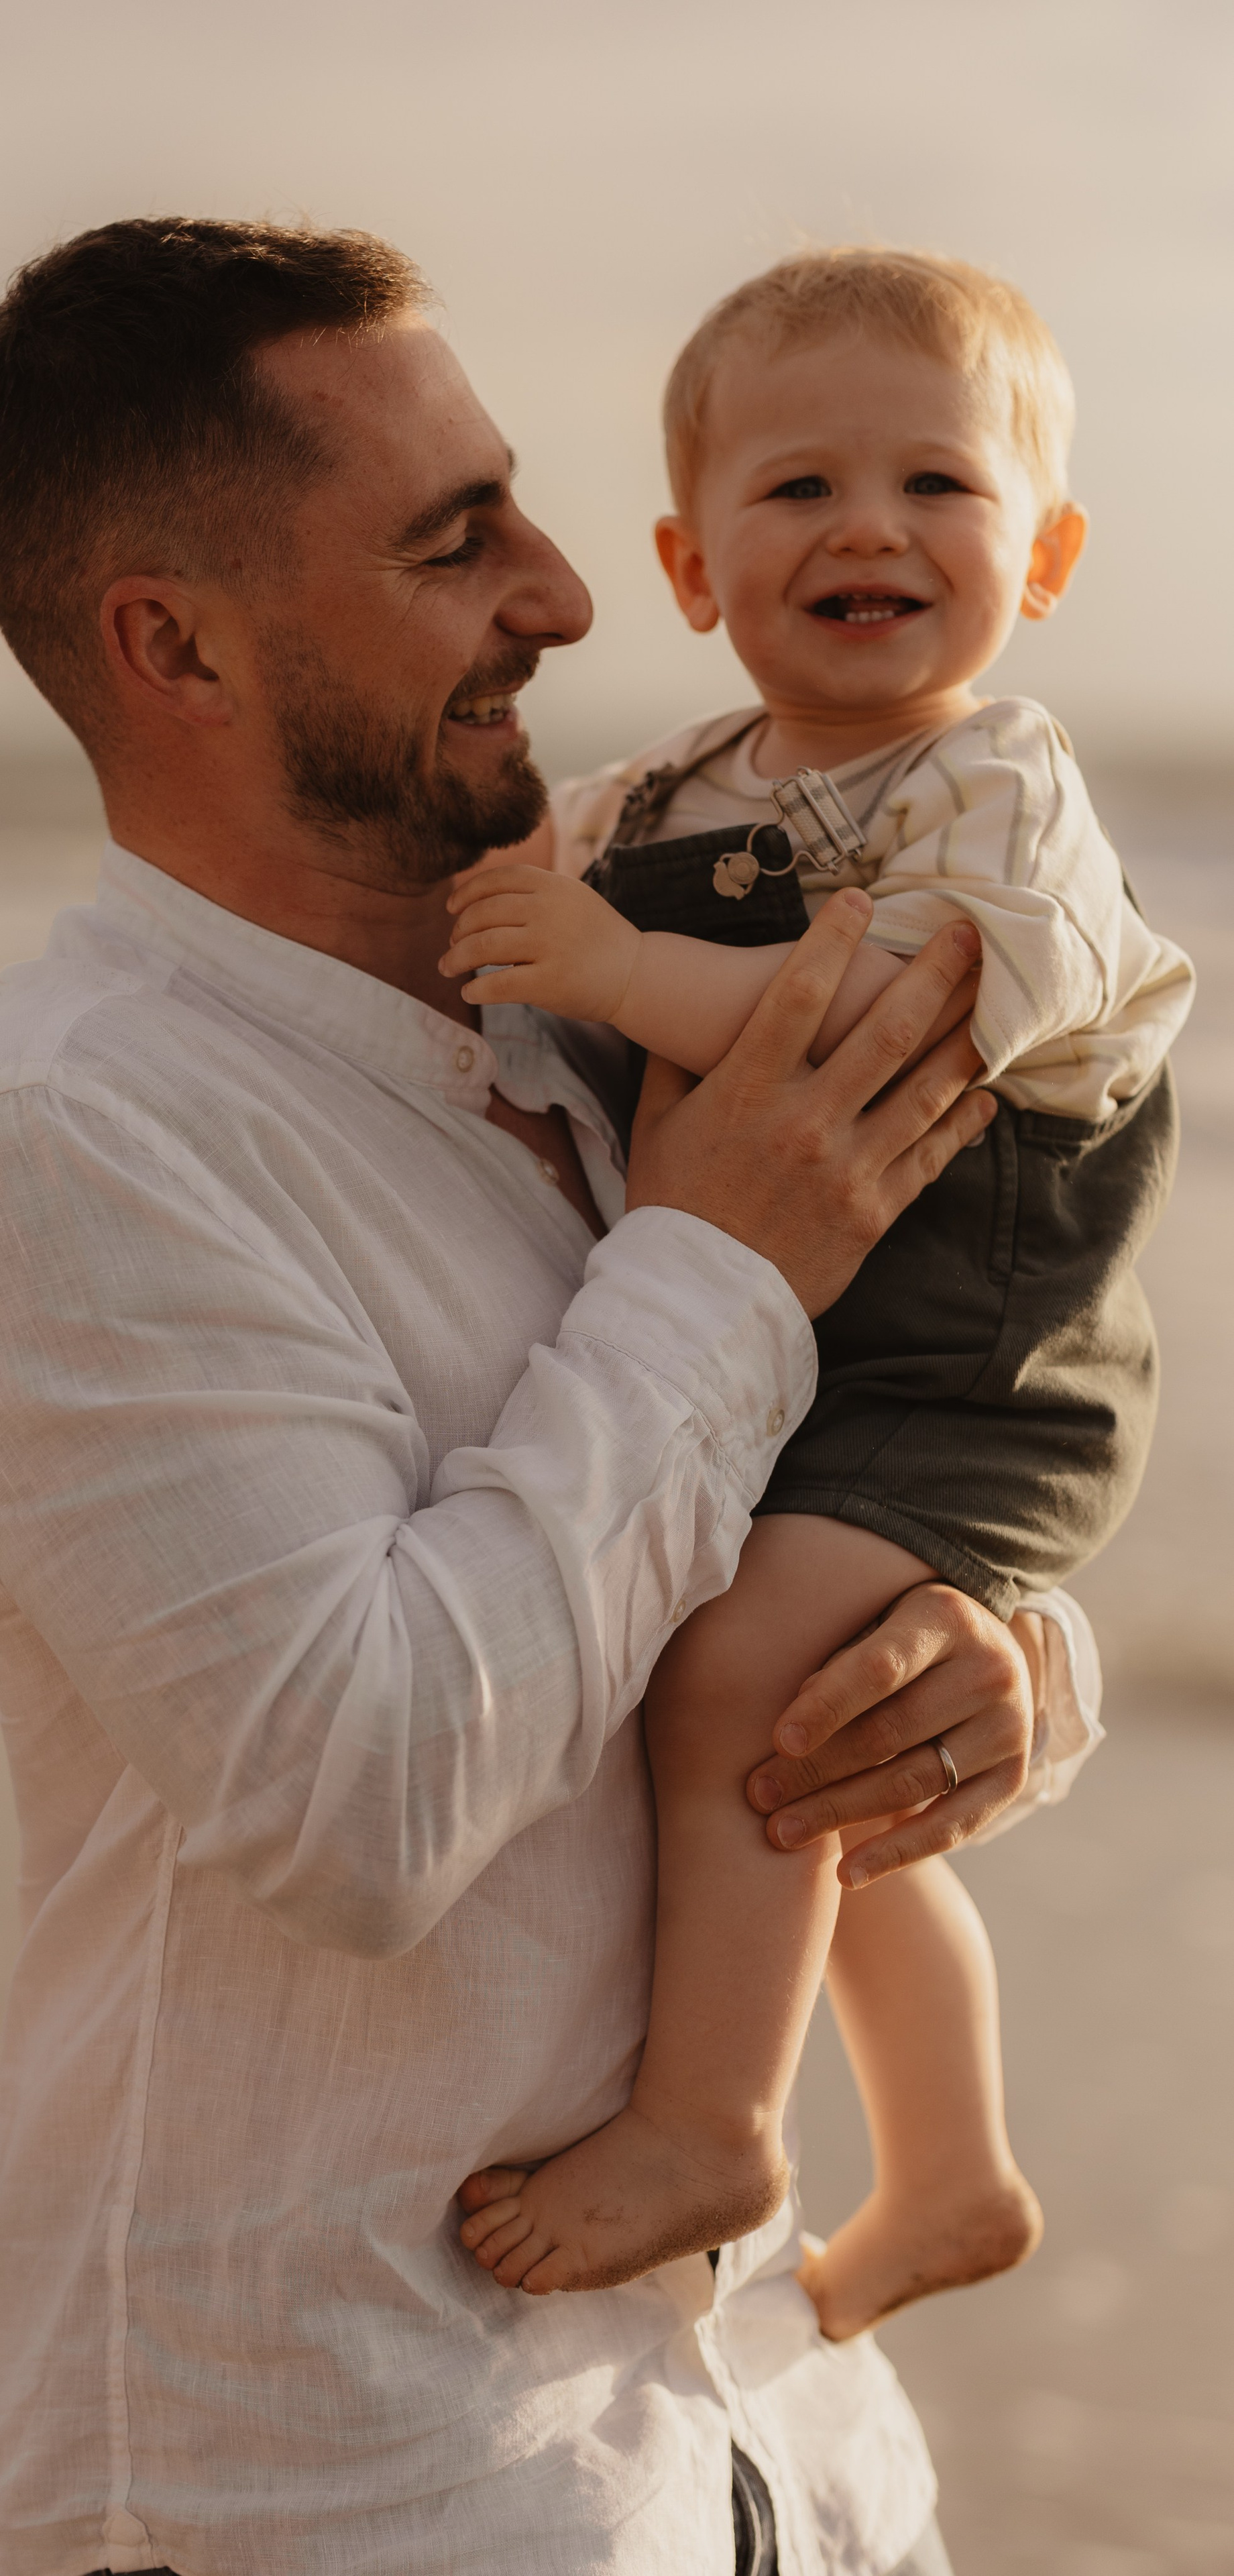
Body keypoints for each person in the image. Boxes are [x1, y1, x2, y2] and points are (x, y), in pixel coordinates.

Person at [0, 218, 1105, 2576]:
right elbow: (364, 1796)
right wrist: (718, 1259)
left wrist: (1004, 1677)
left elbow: (859, 1455)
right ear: (176, 643)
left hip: (772, 2443)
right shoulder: (78, 1151)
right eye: (456, 542)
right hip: (361, 2477)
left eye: (520, 506)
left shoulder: (597, 1014)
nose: (560, 590)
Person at [445, 249, 1190, 2335]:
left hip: (973, 1359)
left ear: (1037, 554)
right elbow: (523, 948)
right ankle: (952, 2174)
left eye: (937, 484)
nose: (868, 526)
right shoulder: (673, 796)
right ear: (692, 567)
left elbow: (886, 1006)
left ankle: (715, 2131)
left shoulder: (999, 788)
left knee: (742, 1697)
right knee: (833, 1792)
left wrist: (602, 968)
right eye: (797, 492)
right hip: (804, 1354)